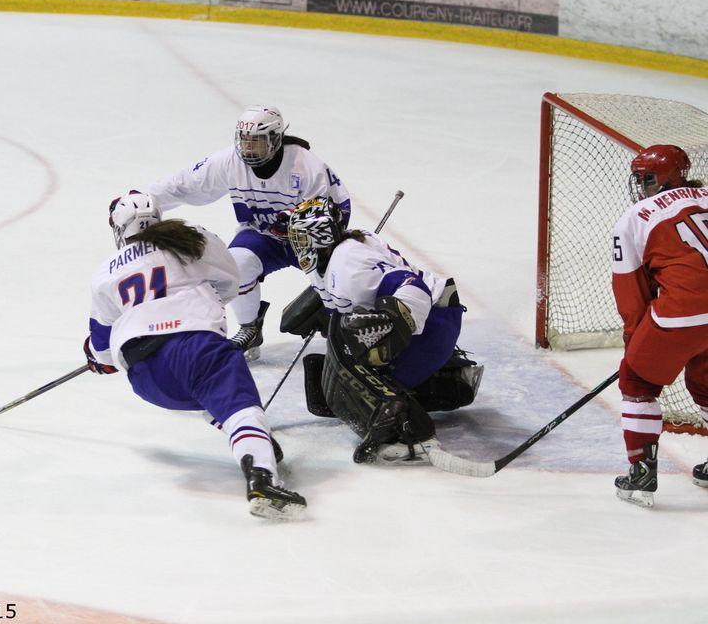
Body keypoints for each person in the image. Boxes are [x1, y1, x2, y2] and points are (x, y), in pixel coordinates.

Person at [83, 191, 307, 520]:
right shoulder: (191, 237)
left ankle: (247, 440)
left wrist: (95, 358)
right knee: (240, 408)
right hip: (196, 347)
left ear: (118, 230)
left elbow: (101, 351)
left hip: (145, 377)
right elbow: (231, 282)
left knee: (207, 396)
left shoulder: (104, 273)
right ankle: (262, 477)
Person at [285, 197, 481, 465]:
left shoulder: (347, 265)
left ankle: (409, 433)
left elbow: (413, 288)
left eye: (302, 238)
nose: (298, 246)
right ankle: (447, 382)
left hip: (432, 326)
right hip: (436, 321)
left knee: (347, 337)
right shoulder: (341, 253)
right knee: (333, 378)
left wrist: (392, 322)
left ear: (321, 236)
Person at [147, 105, 350, 359]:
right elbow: (184, 184)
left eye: (257, 142)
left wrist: (294, 221)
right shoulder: (230, 161)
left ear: (275, 139)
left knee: (333, 278)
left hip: (310, 239)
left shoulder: (305, 165)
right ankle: (250, 327)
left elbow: (332, 210)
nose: (249, 149)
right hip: (262, 237)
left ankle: (343, 327)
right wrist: (145, 200)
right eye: (245, 141)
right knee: (236, 265)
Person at [610, 144, 708, 507]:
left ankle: (641, 475)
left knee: (637, 380)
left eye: (646, 178)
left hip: (683, 312)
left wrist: (635, 346)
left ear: (666, 177)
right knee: (705, 380)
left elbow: (631, 295)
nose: (640, 185)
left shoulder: (635, 216)